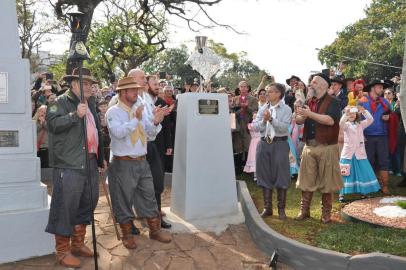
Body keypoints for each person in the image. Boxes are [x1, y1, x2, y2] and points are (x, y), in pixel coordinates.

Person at [45, 68, 107, 268]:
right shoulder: (59, 102)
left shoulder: (90, 103)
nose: (89, 86)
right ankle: (62, 251)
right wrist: (74, 115)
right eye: (85, 83)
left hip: (89, 160)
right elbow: (52, 124)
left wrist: (100, 158)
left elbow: (96, 131)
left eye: (91, 83)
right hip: (69, 163)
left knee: (89, 201)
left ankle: (78, 243)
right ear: (73, 84)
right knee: (65, 205)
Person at [106, 76, 171, 250]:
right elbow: (118, 133)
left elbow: (150, 132)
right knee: (123, 200)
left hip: (142, 161)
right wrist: (135, 119)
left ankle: (154, 231)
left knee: (149, 196)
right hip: (122, 163)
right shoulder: (113, 112)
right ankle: (127, 235)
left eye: (137, 89)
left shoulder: (139, 109)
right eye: (133, 90)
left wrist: (156, 121)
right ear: (123, 92)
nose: (137, 92)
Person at [295, 73, 342, 224]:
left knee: (327, 182)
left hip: (327, 146)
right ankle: (304, 210)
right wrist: (301, 115)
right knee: (306, 180)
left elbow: (330, 121)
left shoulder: (333, 102)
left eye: (314, 82)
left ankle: (326, 214)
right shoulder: (309, 101)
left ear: (323, 85)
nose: (311, 85)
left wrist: (309, 113)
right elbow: (299, 121)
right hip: (309, 146)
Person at [253, 83, 292, 220]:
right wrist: (264, 121)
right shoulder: (263, 108)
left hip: (279, 144)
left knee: (281, 175)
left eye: (270, 92)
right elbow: (256, 127)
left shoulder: (286, 109)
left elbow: (284, 128)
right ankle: (267, 208)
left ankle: (281, 209)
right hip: (264, 144)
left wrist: (271, 119)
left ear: (278, 94)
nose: (266, 94)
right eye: (267, 92)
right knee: (264, 175)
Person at [144, 75, 172, 229]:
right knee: (143, 184)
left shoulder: (161, 103)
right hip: (142, 148)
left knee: (157, 183)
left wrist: (168, 145)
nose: (158, 87)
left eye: (158, 84)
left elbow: (166, 126)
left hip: (157, 147)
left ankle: (157, 217)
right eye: (154, 84)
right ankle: (145, 215)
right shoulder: (139, 102)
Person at [339, 106, 380, 201]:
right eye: (349, 113)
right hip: (348, 154)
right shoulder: (346, 125)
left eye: (353, 113)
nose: (352, 115)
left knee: (363, 173)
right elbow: (341, 123)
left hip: (360, 153)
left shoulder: (361, 124)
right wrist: (346, 114)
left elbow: (370, 119)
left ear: (357, 114)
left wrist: (364, 111)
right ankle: (341, 194)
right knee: (345, 173)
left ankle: (363, 192)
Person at [359, 79, 392, 194]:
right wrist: (360, 135)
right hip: (367, 136)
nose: (382, 89)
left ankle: (385, 186)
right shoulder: (362, 101)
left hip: (382, 136)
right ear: (373, 88)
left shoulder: (385, 102)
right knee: (368, 161)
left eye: (382, 88)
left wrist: (388, 119)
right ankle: (370, 185)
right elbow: (356, 119)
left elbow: (391, 117)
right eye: (379, 87)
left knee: (384, 161)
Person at [232, 81, 258, 174]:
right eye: (241, 86)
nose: (243, 88)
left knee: (248, 146)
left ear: (248, 88)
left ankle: (248, 168)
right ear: (238, 88)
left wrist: (247, 108)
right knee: (238, 146)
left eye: (245, 86)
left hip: (248, 125)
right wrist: (239, 108)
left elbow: (255, 113)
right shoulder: (235, 99)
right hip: (238, 125)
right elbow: (232, 112)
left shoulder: (253, 99)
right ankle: (238, 169)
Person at [243, 112, 261, 181]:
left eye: (257, 116)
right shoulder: (250, 125)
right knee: (254, 158)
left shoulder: (260, 124)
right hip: (254, 143)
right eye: (254, 116)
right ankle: (255, 175)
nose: (255, 117)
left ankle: (261, 174)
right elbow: (254, 127)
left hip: (260, 142)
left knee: (261, 158)